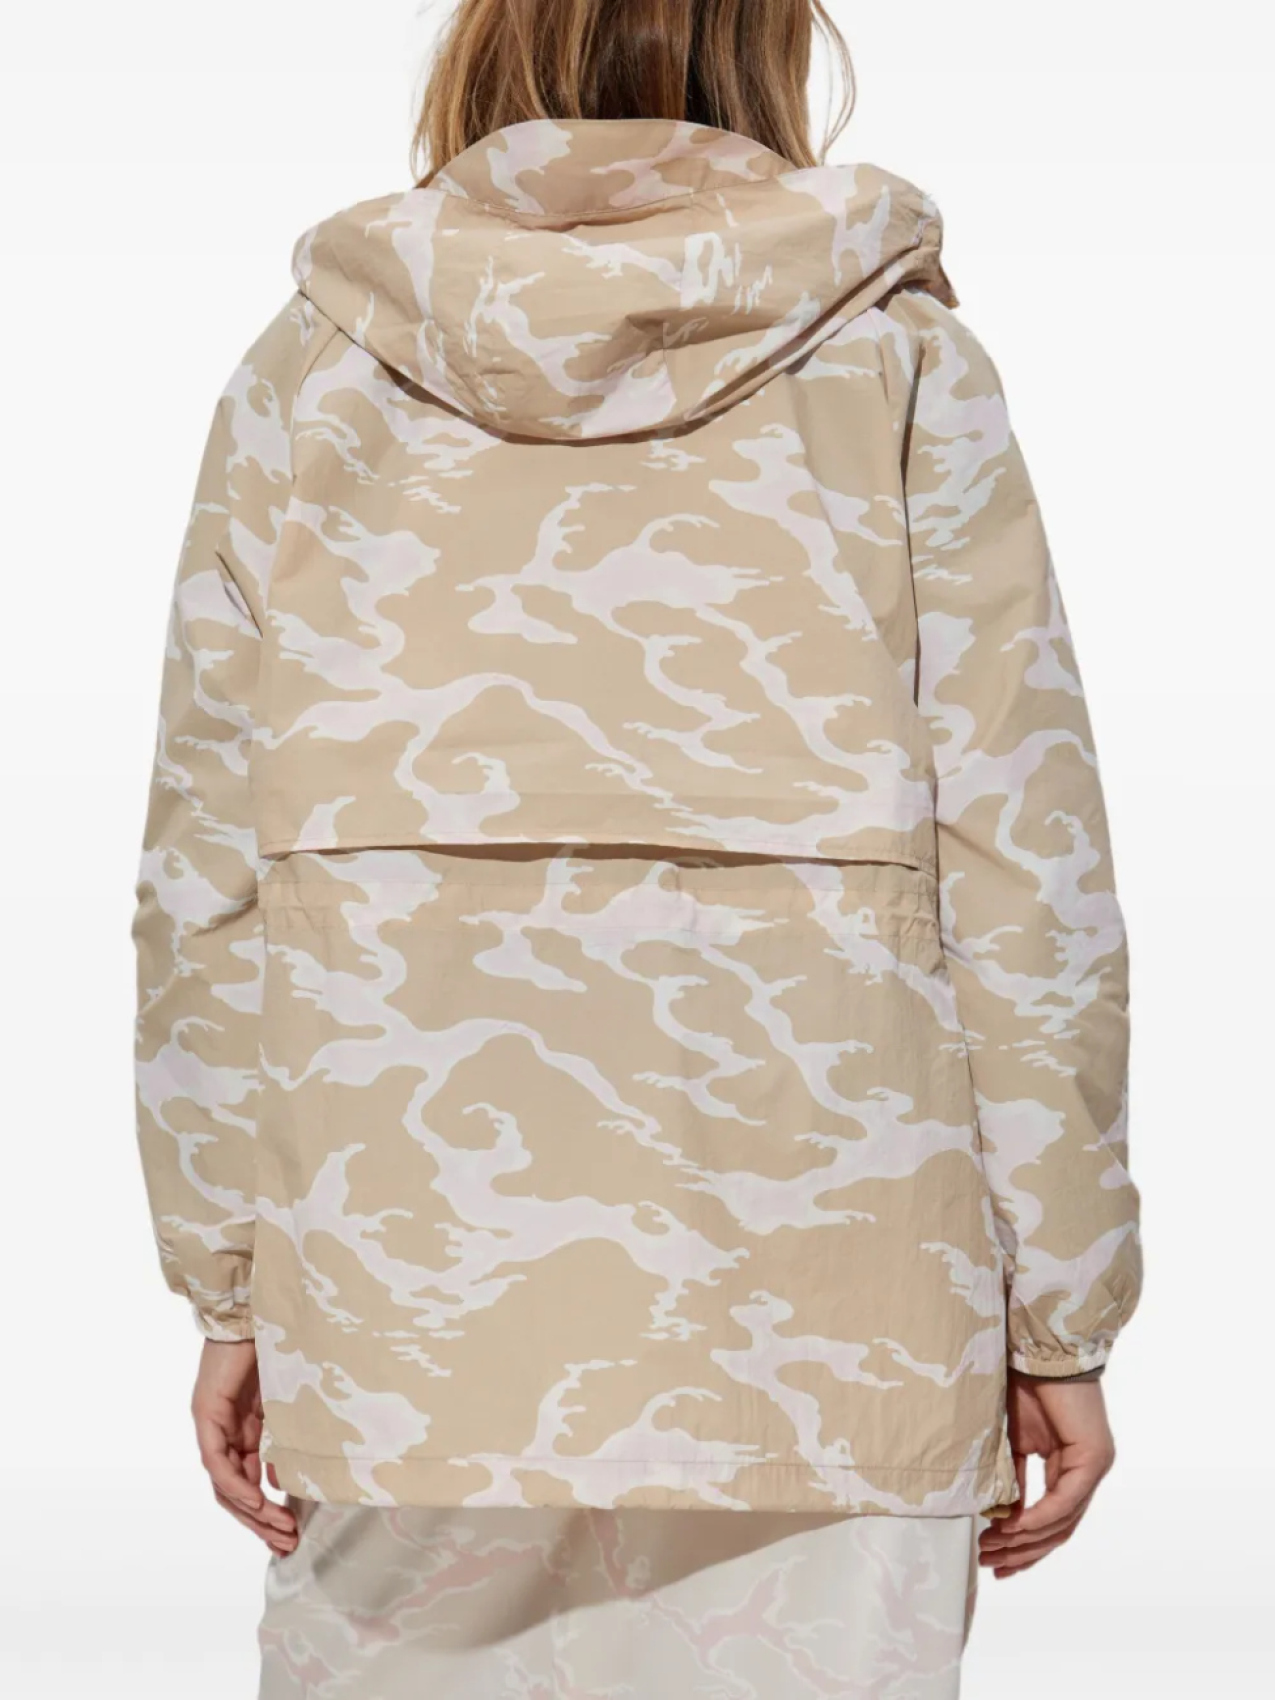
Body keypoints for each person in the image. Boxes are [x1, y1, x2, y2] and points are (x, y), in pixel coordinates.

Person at [131, 2, 1142, 1693]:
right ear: (773, 56)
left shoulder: (311, 369)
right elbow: (1026, 856)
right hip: (838, 1307)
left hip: (409, 1289)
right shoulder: (894, 357)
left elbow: (205, 870)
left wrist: (235, 1281)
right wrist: (1062, 1312)